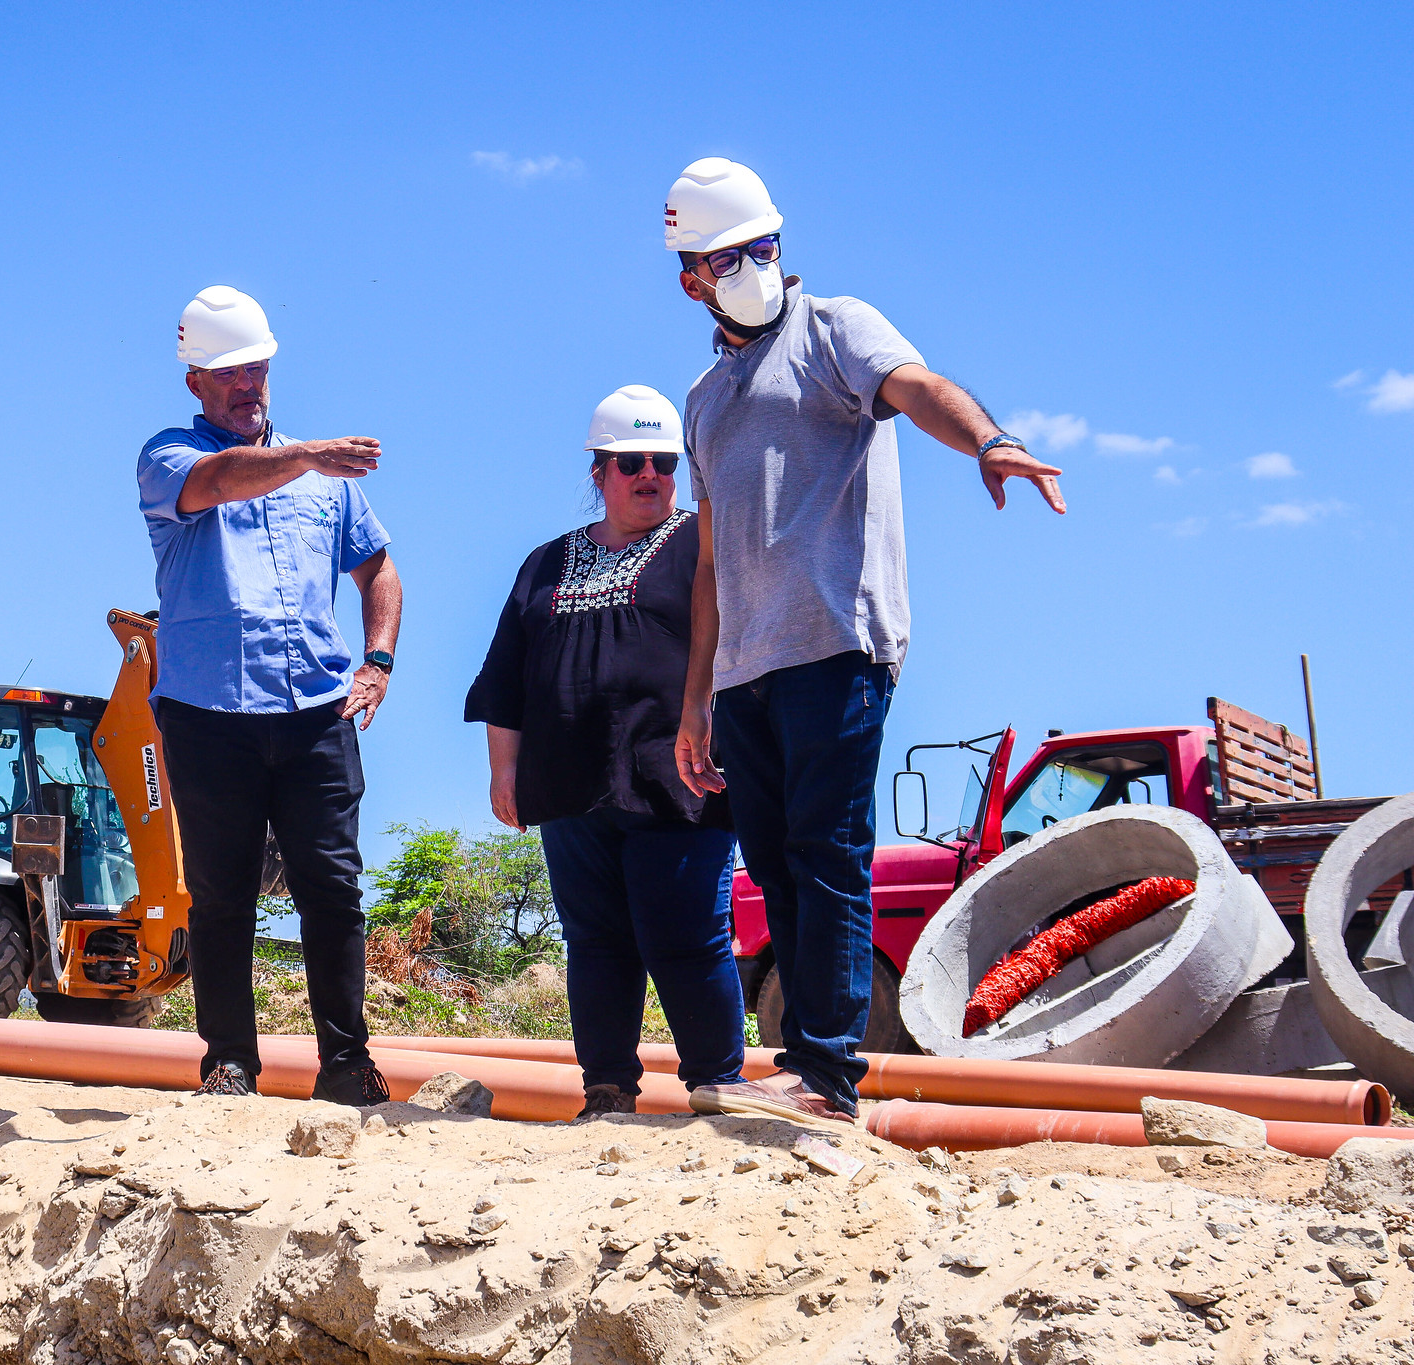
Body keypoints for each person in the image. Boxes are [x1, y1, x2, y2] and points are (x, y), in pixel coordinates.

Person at [661, 159, 1069, 1121]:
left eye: (762, 246)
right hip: (744, 669)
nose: (754, 265)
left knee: (828, 849)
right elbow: (711, 558)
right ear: (691, 279)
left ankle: (830, 1068)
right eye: (728, 257)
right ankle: (808, 1057)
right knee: (770, 863)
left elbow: (918, 386)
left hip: (840, 644)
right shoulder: (702, 400)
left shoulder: (835, 328)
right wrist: (696, 700)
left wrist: (991, 439)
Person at [465, 386, 816, 1123]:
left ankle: (715, 1087)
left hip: (679, 787)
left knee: (686, 937)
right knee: (594, 942)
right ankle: (607, 1089)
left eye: (662, 462)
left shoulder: (702, 547)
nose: (650, 474)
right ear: (600, 472)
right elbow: (505, 676)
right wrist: (505, 770)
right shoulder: (545, 563)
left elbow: (753, 652)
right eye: (631, 463)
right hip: (569, 789)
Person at [137, 285, 403, 1104]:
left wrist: (378, 662)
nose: (247, 383)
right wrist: (309, 457)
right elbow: (218, 482)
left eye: (256, 367)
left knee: (333, 886)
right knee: (222, 893)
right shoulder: (168, 457)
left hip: (316, 713)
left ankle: (347, 1062)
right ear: (196, 384)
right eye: (228, 373)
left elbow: (378, 568)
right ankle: (228, 1062)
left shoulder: (328, 482)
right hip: (208, 714)